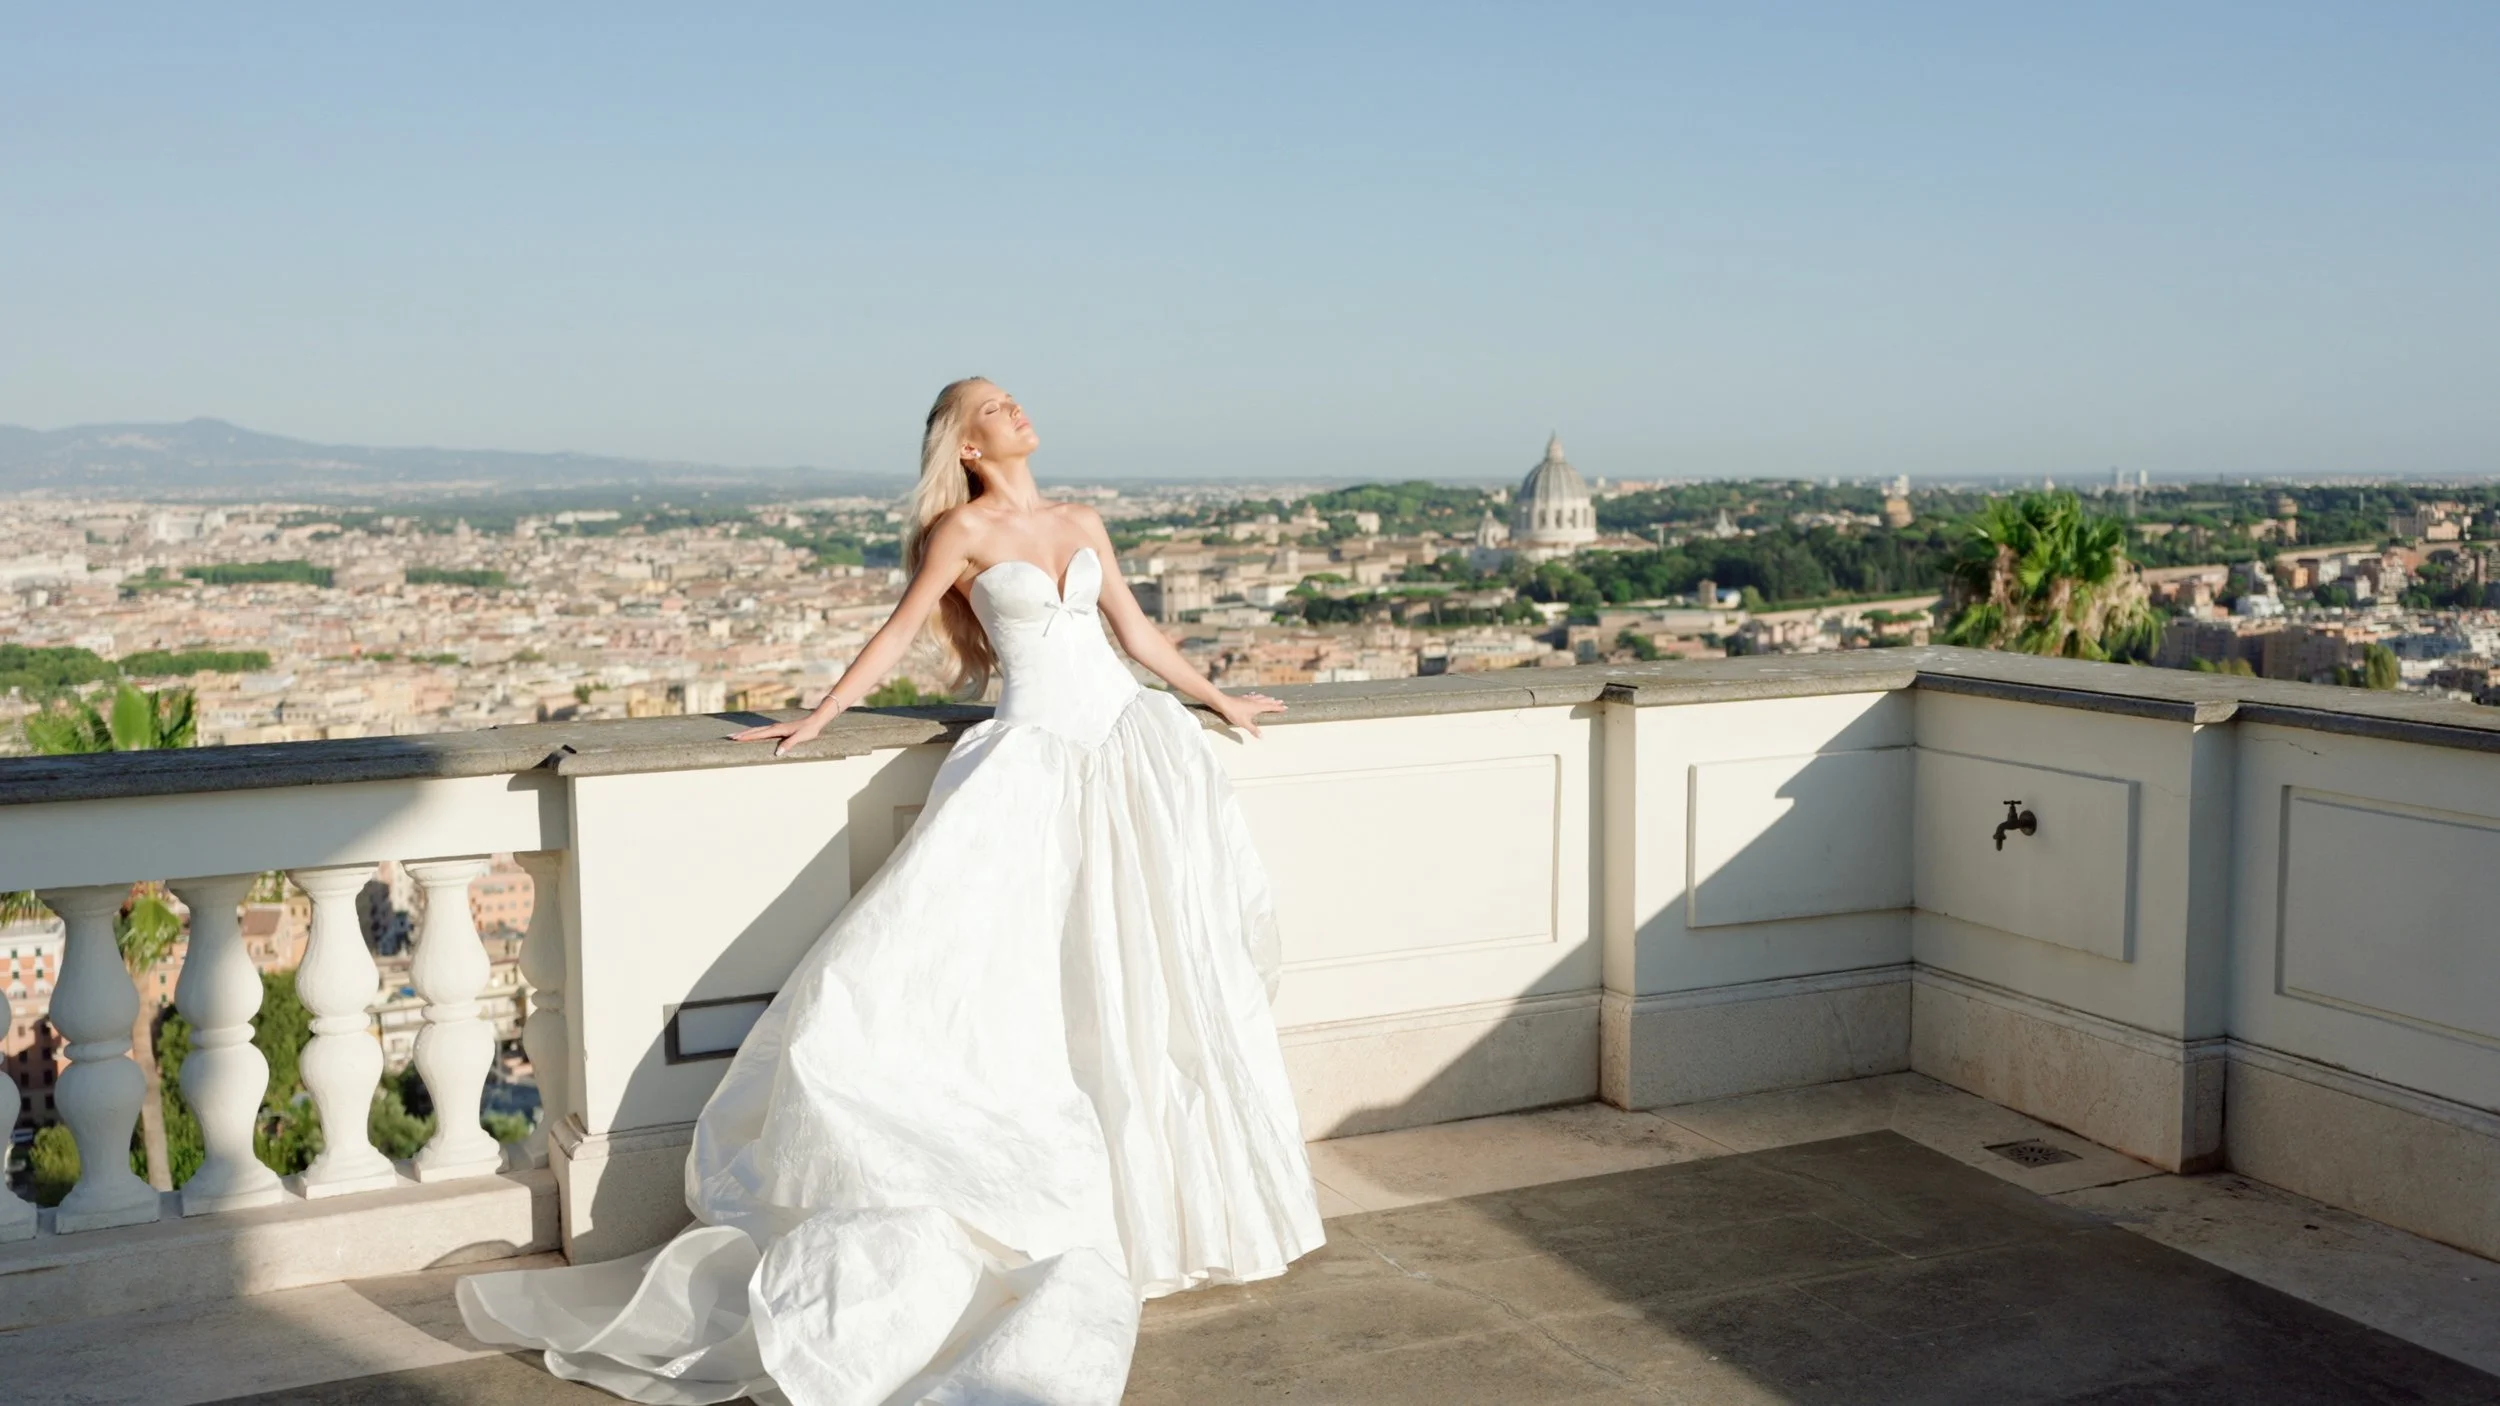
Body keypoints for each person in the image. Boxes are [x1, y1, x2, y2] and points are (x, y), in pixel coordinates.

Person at [456, 379, 1326, 1405]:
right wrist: (817, 717)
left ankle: (1161, 1210)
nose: (1019, 409)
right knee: (948, 981)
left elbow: (1135, 637)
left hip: (1129, 748)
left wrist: (1222, 698)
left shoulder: (1080, 518)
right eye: (997, 404)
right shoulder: (958, 530)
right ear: (963, 440)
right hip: (1032, 760)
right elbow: (899, 631)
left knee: (1138, 980)